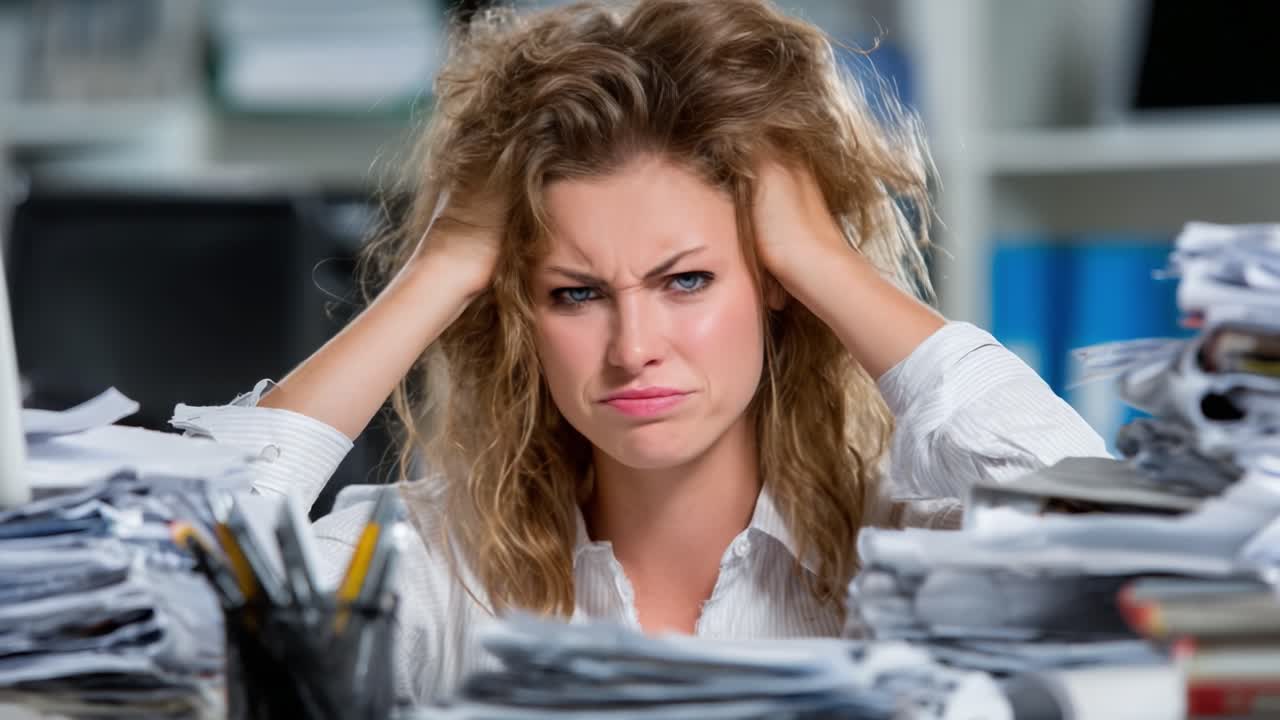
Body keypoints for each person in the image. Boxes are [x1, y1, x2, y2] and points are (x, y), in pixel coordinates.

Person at [172, 0, 1106, 703]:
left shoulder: (909, 554)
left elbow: (1122, 562)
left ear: (777, 281)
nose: (633, 349)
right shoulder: (436, 570)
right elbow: (156, 604)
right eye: (575, 294)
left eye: (686, 281)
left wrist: (825, 255)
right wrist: (442, 270)